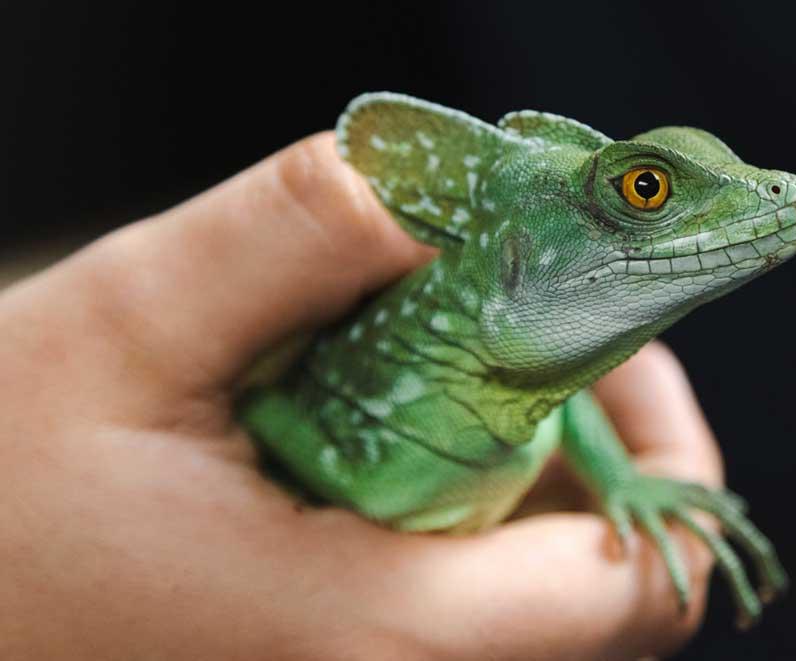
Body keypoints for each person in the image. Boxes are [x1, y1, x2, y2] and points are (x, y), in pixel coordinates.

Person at [0, 132, 728, 660]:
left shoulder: (539, 386)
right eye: (648, 191)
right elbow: (264, 417)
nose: (781, 193)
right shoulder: (372, 447)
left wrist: (622, 481)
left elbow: (560, 401)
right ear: (517, 252)